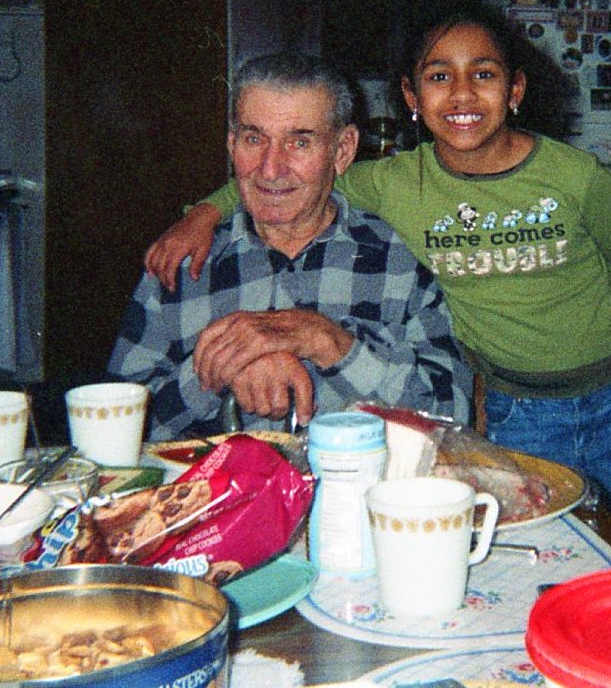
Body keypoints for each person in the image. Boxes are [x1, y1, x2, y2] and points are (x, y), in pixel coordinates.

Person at [148, 8, 611, 551]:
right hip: (514, 406)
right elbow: (285, 175)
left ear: (515, 89)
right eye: (439, 76)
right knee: (544, 551)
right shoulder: (395, 183)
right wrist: (205, 213)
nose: (463, 93)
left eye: (484, 73)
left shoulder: (576, 176)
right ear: (412, 97)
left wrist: (567, 311)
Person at [109, 52, 470, 440]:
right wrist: (218, 370)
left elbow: (453, 418)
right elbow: (116, 426)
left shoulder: (396, 261)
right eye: (254, 139)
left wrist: (328, 342)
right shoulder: (182, 264)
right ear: (232, 144)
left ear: (343, 150)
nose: (270, 168)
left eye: (299, 142)